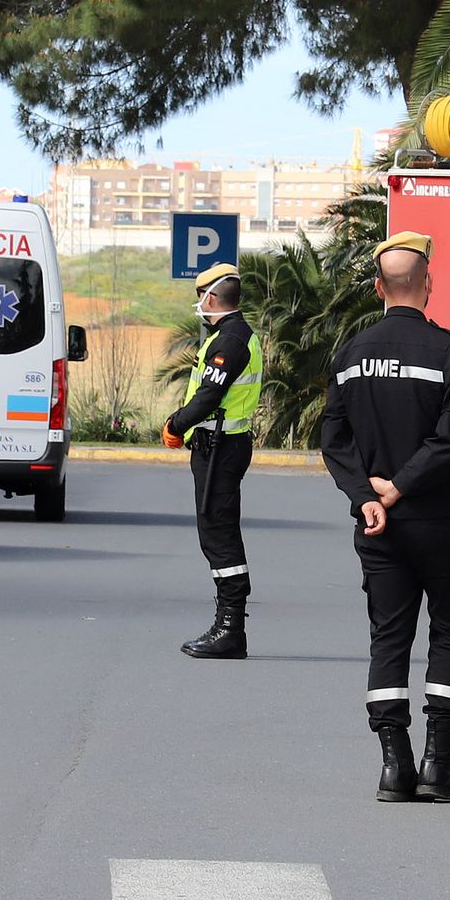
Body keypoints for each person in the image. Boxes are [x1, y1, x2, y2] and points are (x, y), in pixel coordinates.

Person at [320, 230, 450, 803]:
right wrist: (401, 487)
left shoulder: (350, 354)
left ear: (377, 288)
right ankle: (439, 765)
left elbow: (334, 439)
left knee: (388, 638)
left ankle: (394, 766)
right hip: (443, 523)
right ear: (428, 284)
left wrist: (366, 495)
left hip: (379, 527)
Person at [161, 263, 264, 660]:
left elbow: (208, 396)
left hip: (220, 448)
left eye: (199, 295)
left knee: (219, 534)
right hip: (220, 445)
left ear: (211, 298)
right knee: (216, 532)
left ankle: (230, 629)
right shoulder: (232, 335)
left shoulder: (230, 341)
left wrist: (175, 424)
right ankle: (227, 626)